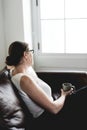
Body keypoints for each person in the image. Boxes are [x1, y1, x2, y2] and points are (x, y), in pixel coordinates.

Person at [5, 41, 73, 130]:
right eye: (31, 52)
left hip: (53, 105)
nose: (32, 55)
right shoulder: (24, 79)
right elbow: (54, 109)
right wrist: (63, 94)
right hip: (48, 118)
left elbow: (10, 66)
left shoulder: (19, 70)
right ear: (25, 54)